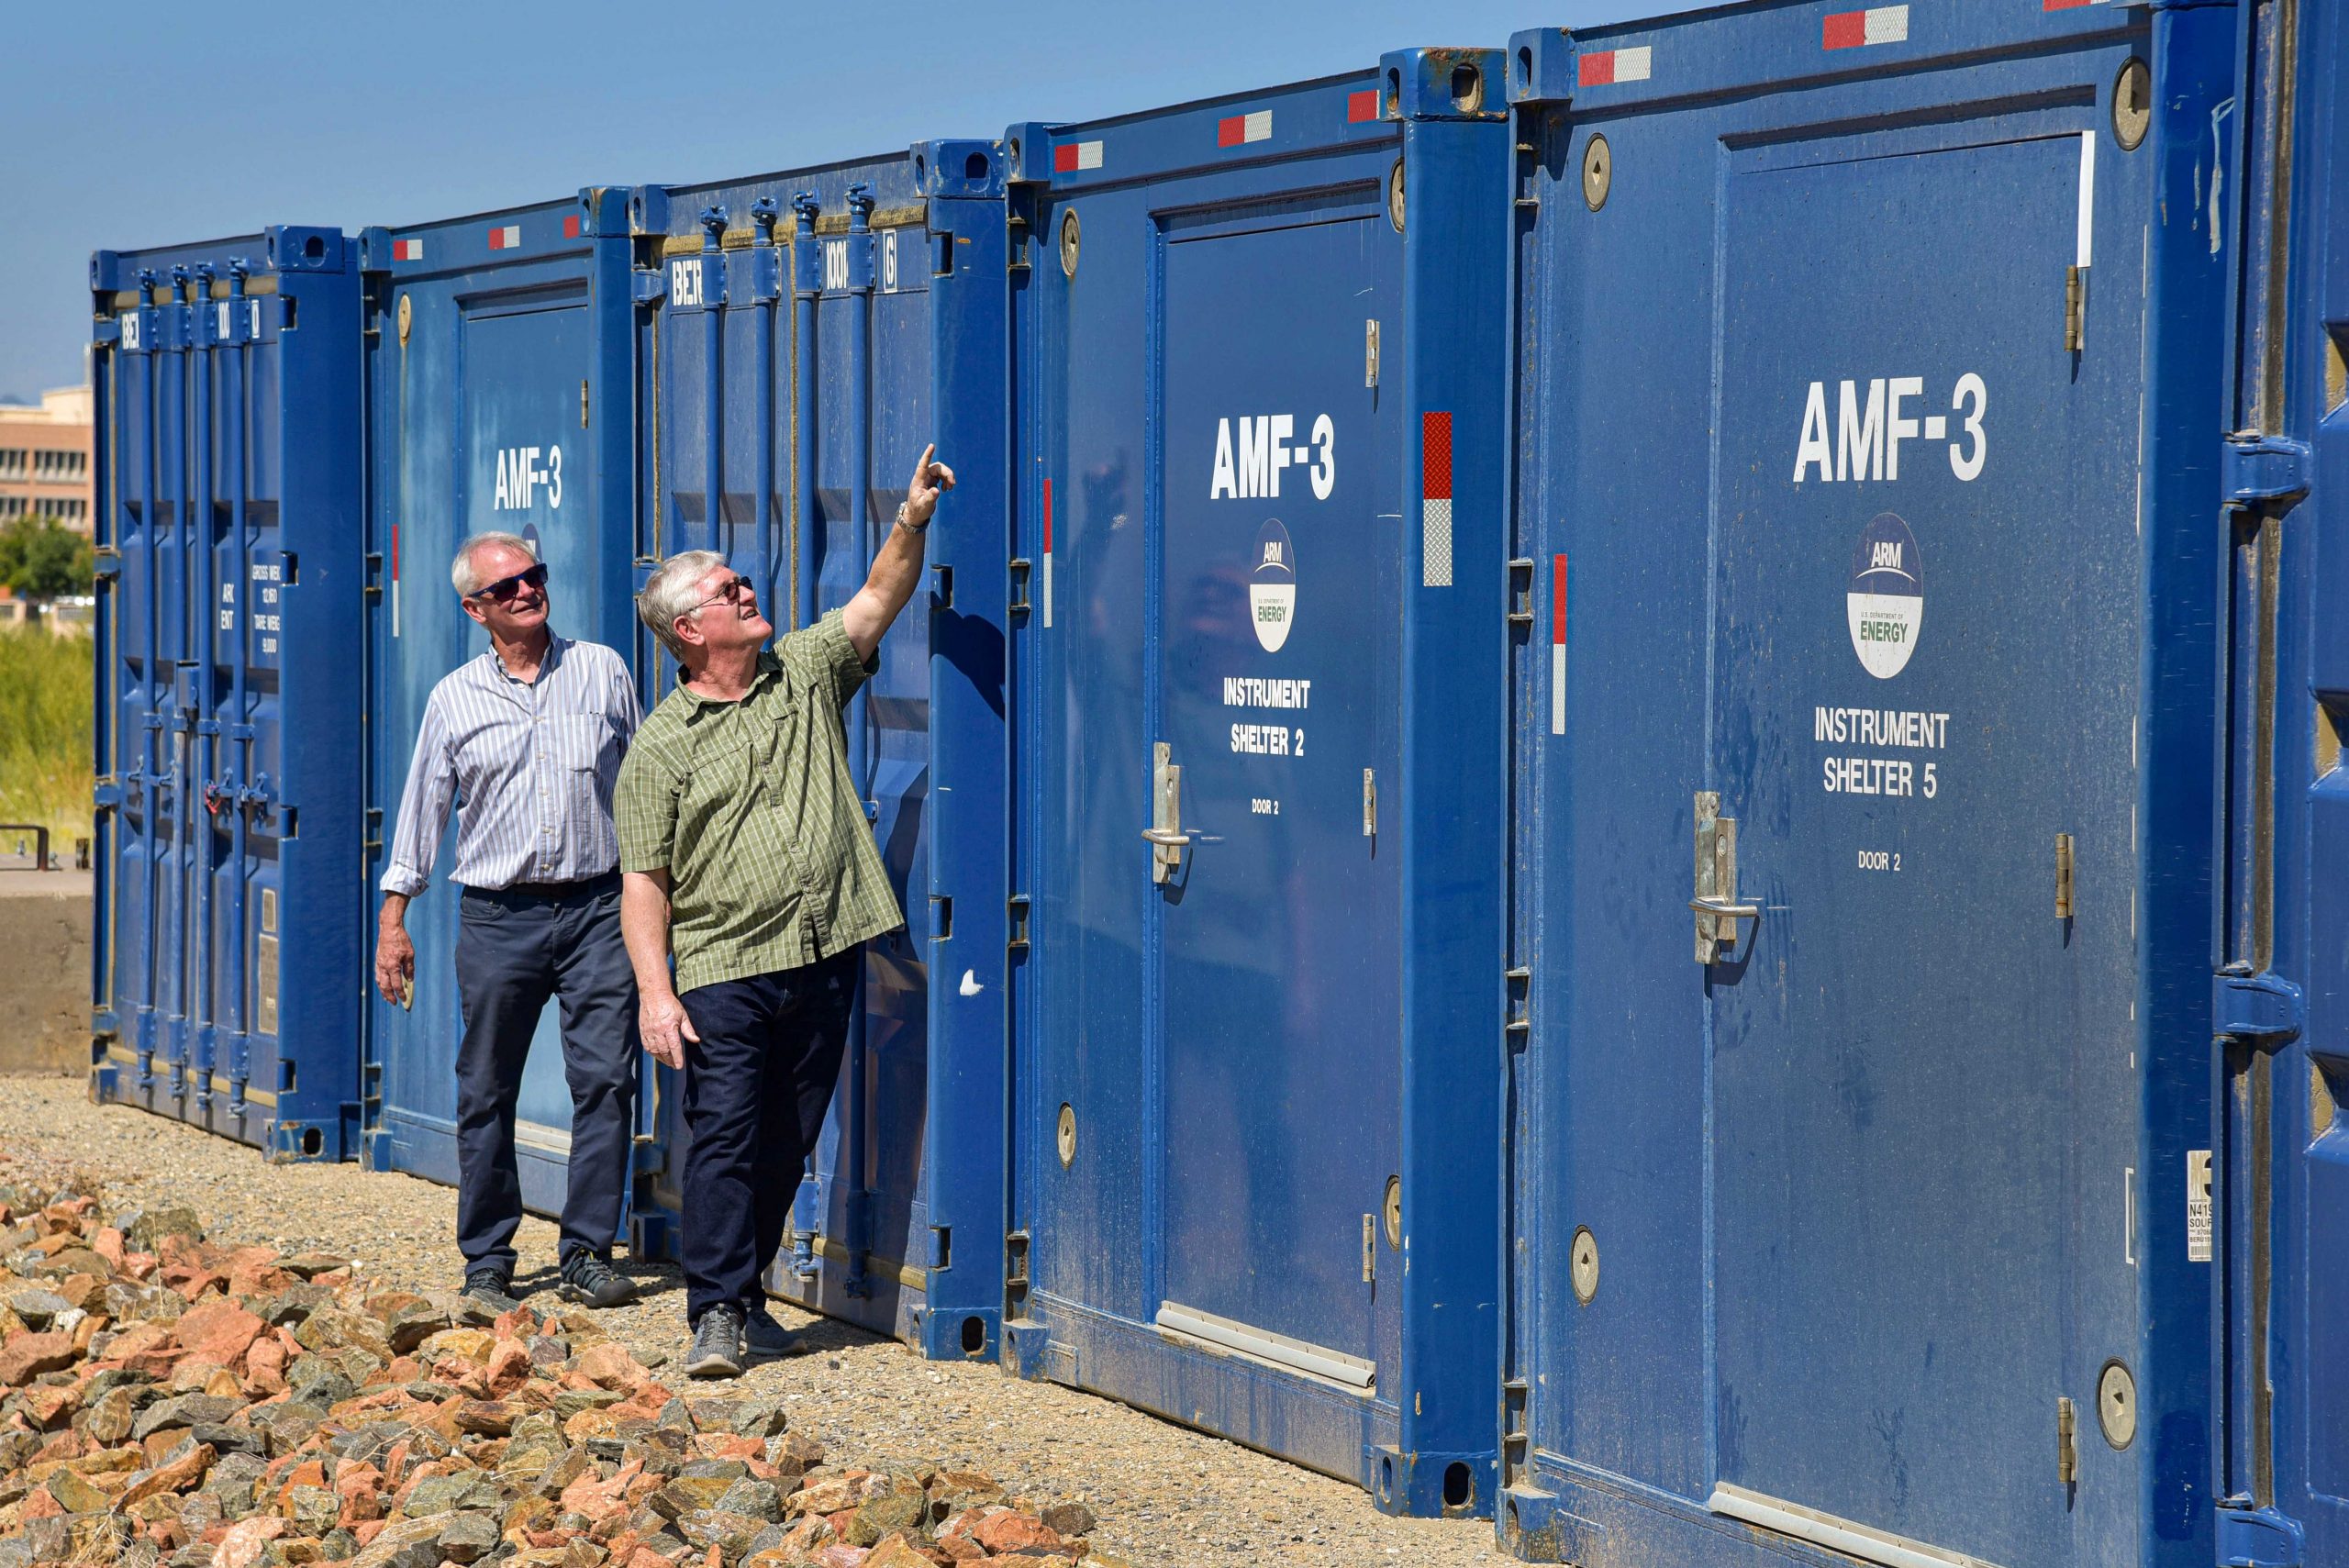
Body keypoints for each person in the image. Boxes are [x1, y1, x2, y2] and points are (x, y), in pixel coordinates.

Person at [617, 443, 953, 1378]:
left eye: (739, 582)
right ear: (689, 630)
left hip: (825, 946)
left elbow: (877, 601)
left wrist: (910, 518)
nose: (746, 591)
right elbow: (642, 880)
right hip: (725, 963)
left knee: (789, 1134)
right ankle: (716, 1308)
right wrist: (656, 993)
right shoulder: (661, 747)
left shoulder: (802, 673)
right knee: (724, 1132)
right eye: (727, 590)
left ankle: (747, 1289)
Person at [374, 532, 644, 1314]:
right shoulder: (454, 698)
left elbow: (646, 785)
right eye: (508, 587)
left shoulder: (602, 671)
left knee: (605, 1081)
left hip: (597, 906)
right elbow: (423, 809)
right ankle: (488, 1258)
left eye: (534, 577)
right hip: (499, 917)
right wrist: (396, 917)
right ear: (475, 608)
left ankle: (588, 1250)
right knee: (485, 1088)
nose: (527, 591)